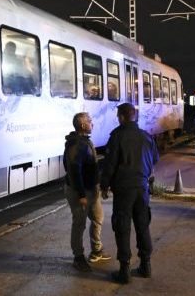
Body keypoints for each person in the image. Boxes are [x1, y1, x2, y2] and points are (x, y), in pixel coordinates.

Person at [101, 103, 159, 283]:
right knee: (143, 225)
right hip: (142, 188)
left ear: (121, 117)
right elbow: (155, 159)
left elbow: (109, 165)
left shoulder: (117, 136)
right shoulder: (146, 136)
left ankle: (124, 270)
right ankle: (146, 266)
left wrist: (104, 185)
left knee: (122, 226)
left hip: (123, 190)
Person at [63, 112, 111, 273]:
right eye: (90, 121)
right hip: (80, 191)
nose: (93, 123)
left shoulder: (84, 141)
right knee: (79, 224)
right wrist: (81, 195)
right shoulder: (77, 144)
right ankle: (78, 258)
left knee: (98, 217)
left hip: (91, 189)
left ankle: (96, 250)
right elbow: (74, 171)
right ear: (83, 125)